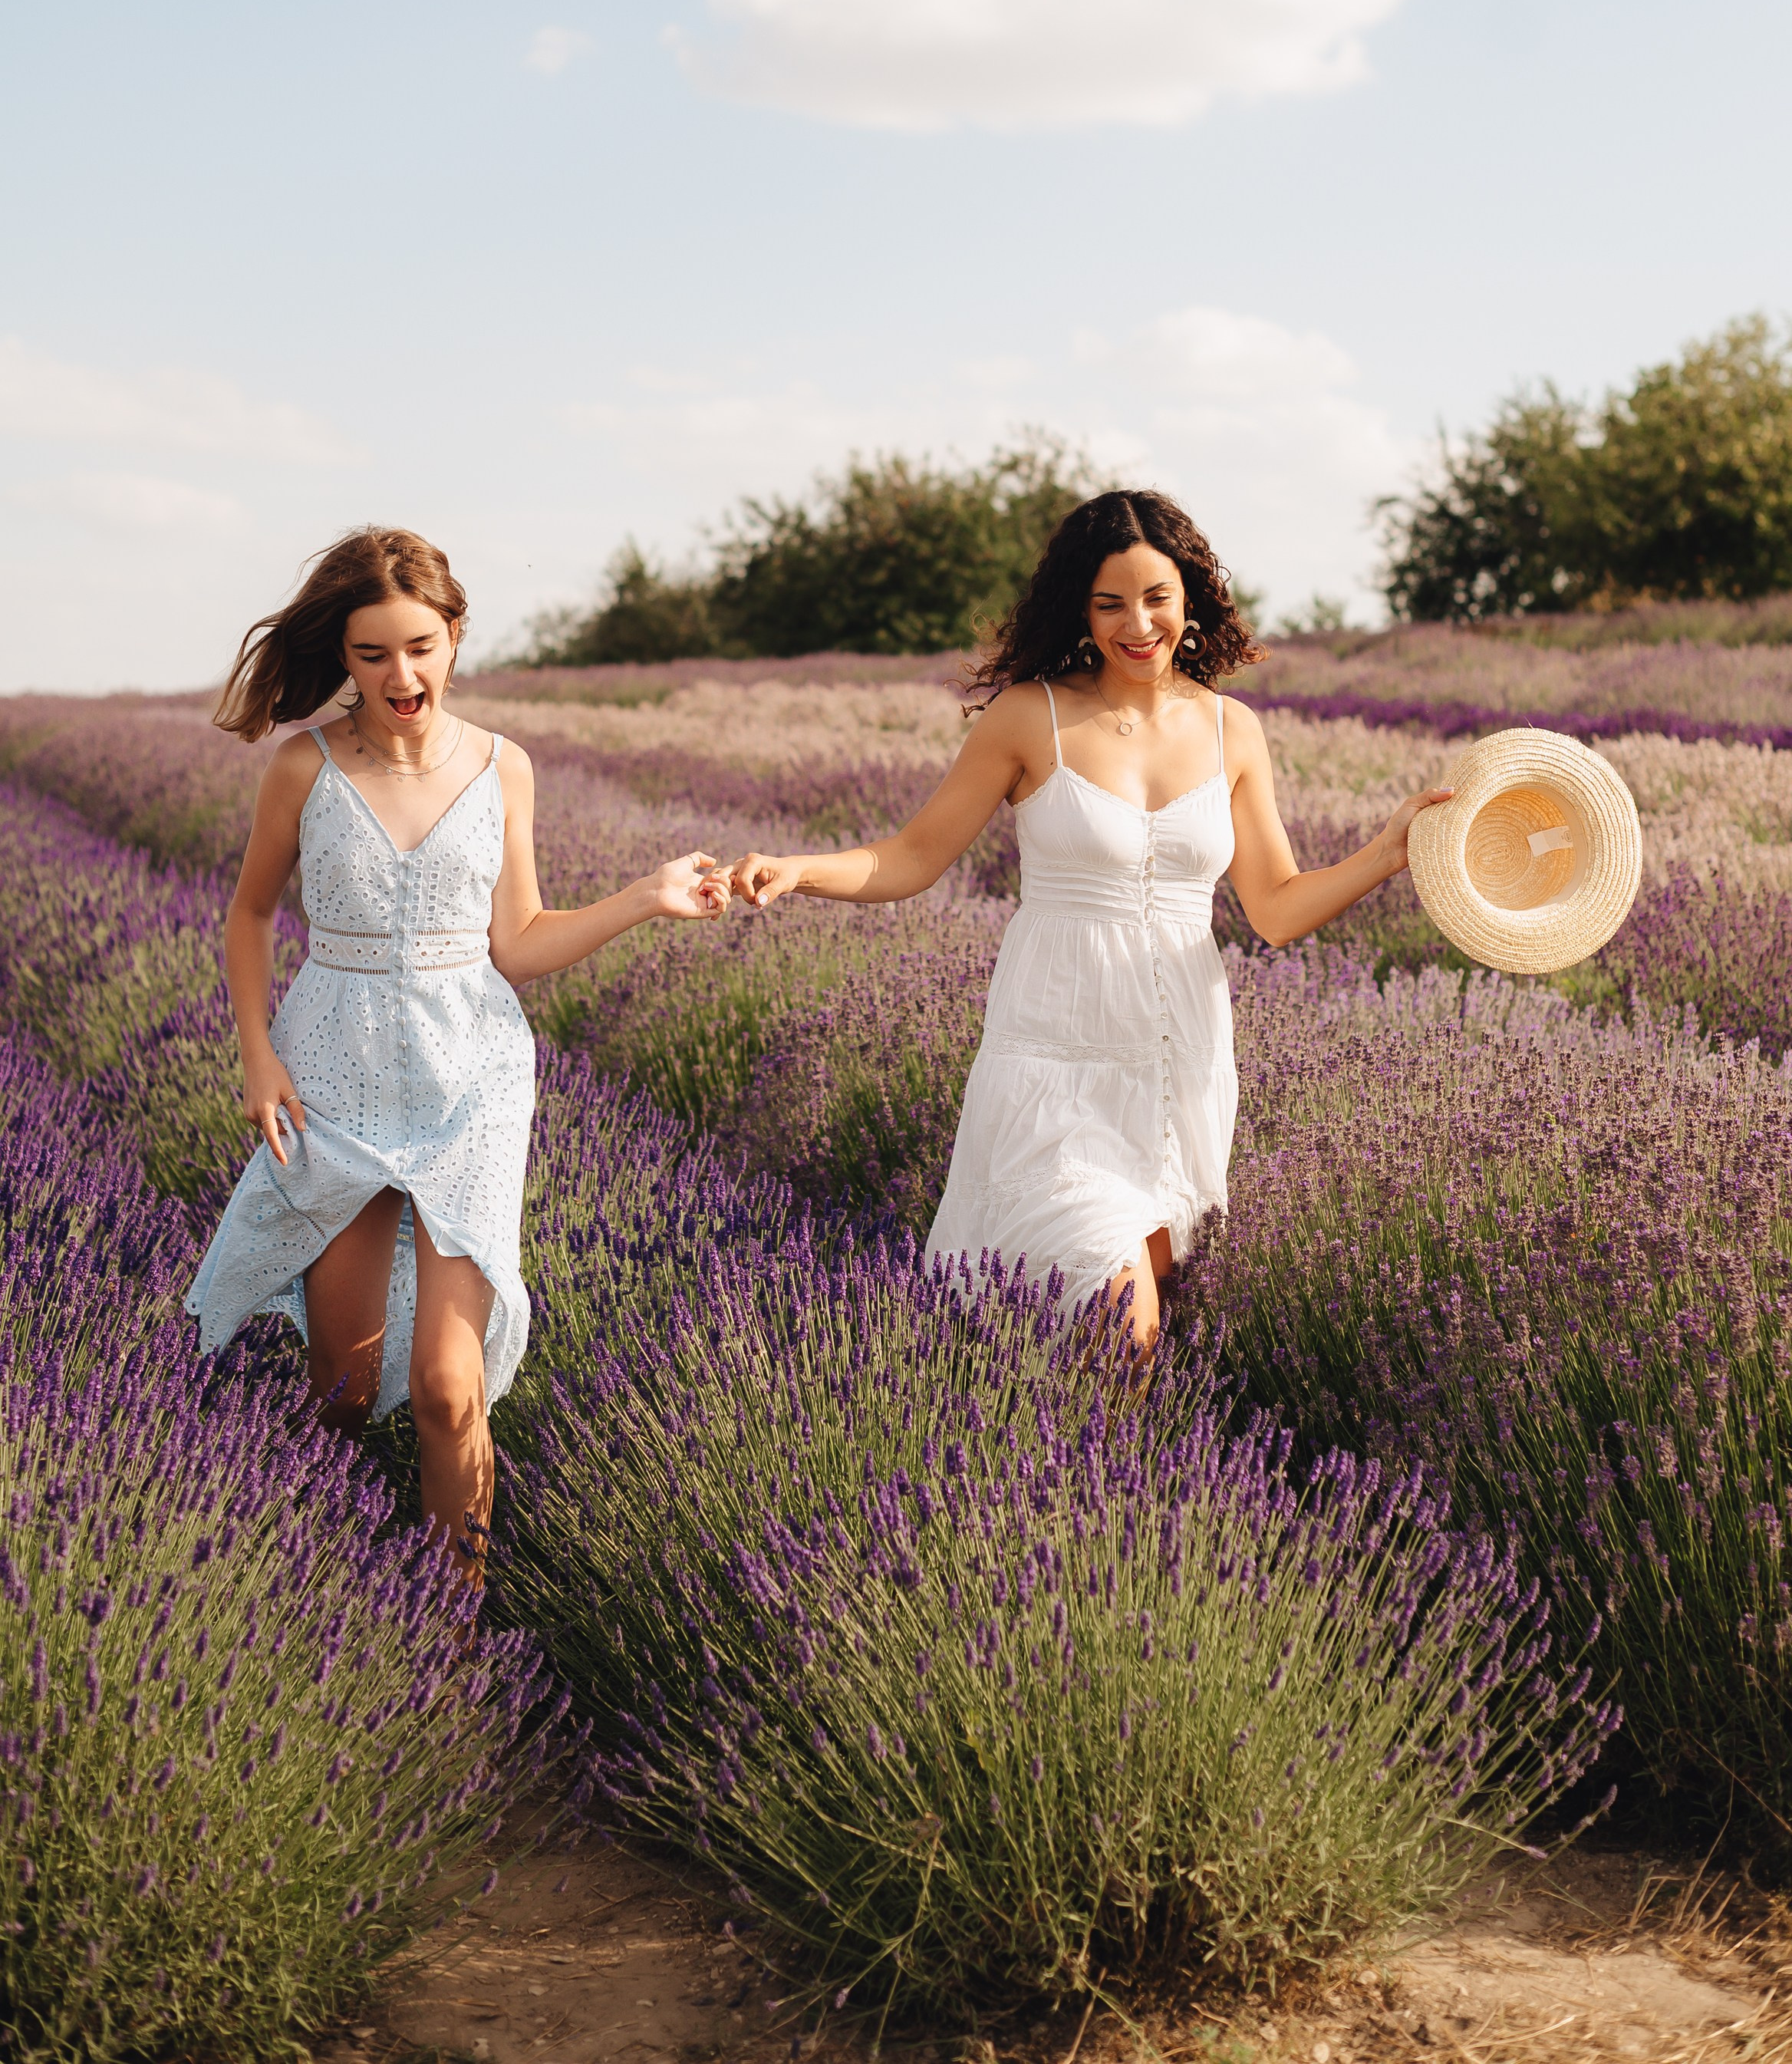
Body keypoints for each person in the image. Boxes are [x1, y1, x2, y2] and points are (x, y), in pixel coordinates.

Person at [729, 488, 1452, 1350]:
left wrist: (1386, 852)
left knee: (1127, 1335)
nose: (1136, 624)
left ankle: (1055, 1441)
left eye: (1155, 597)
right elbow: (913, 856)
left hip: (1179, 1068)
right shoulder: (1029, 716)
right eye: (1109, 603)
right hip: (1055, 1060)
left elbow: (1276, 908)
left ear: (1191, 597)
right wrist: (800, 870)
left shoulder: (1234, 730)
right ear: (1080, 608)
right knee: (1120, 1326)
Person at [187, 526, 728, 1592]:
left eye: (421, 647)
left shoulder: (501, 766)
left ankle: (456, 1634)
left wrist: (645, 898)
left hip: (470, 1082)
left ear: (455, 637)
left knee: (448, 1385)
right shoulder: (304, 766)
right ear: (343, 657)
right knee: (341, 1388)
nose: (402, 675)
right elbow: (249, 915)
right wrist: (256, 1056)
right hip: (335, 1076)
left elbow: (515, 942)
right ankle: (319, 1589)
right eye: (373, 653)